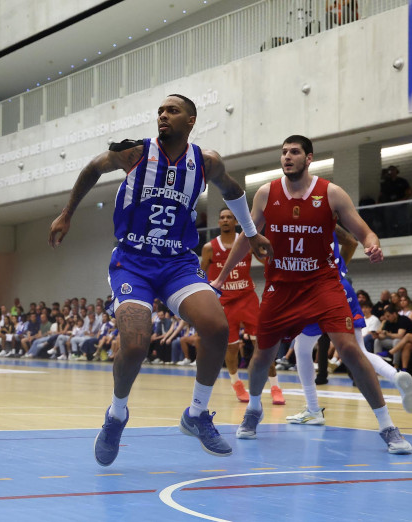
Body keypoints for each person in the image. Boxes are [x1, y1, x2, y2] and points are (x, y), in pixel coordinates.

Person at [49, 94, 271, 466]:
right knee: (134, 345)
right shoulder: (134, 154)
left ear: (191, 120)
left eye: (172, 111)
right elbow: (92, 168)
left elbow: (233, 191)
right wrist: (67, 213)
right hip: (133, 262)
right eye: (160, 111)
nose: (163, 116)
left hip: (177, 263)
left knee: (216, 326)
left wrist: (251, 232)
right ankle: (116, 416)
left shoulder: (206, 161)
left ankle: (197, 414)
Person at [214, 135, 411, 454]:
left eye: (294, 152)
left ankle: (388, 426)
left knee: (349, 348)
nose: (287, 157)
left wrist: (372, 244)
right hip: (281, 288)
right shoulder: (266, 193)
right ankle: (253, 409)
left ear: (309, 159)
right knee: (263, 354)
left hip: (322, 285)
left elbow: (363, 231)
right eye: (283, 152)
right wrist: (222, 277)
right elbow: (247, 239)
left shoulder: (331, 193)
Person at [286, 226, 412, 425]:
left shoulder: (295, 220)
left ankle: (312, 409)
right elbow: (352, 242)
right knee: (358, 350)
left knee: (302, 349)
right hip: (341, 286)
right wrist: (339, 270)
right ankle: (396, 377)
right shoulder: (327, 217)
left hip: (313, 289)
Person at [201, 208, 285, 405]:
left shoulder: (247, 242)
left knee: (262, 345)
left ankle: (275, 386)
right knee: (231, 349)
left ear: (236, 221)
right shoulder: (209, 247)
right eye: (222, 217)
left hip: (247, 299)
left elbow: (267, 259)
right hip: (224, 303)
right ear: (218, 222)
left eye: (229, 217)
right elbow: (200, 274)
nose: (225, 220)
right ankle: (236, 382)